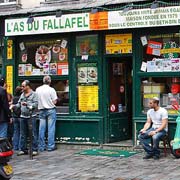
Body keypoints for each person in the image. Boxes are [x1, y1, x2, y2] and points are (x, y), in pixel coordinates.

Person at [11, 80, 38, 156]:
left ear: (27, 86)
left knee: (32, 133)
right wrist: (14, 106)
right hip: (22, 116)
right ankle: (23, 149)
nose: (22, 88)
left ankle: (34, 149)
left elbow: (35, 104)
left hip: (31, 116)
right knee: (22, 134)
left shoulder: (34, 94)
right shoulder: (22, 94)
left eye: (23, 86)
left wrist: (27, 104)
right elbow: (19, 104)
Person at [36, 75, 58, 152]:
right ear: (50, 81)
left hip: (41, 110)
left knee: (41, 129)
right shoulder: (51, 90)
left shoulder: (38, 89)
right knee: (51, 128)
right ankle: (50, 146)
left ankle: (41, 146)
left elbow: (36, 100)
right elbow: (55, 101)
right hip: (50, 110)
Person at [12, 86, 22, 150]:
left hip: (15, 116)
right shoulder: (21, 98)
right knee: (22, 132)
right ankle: (20, 146)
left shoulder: (14, 98)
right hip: (21, 116)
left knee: (16, 132)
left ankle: (15, 146)